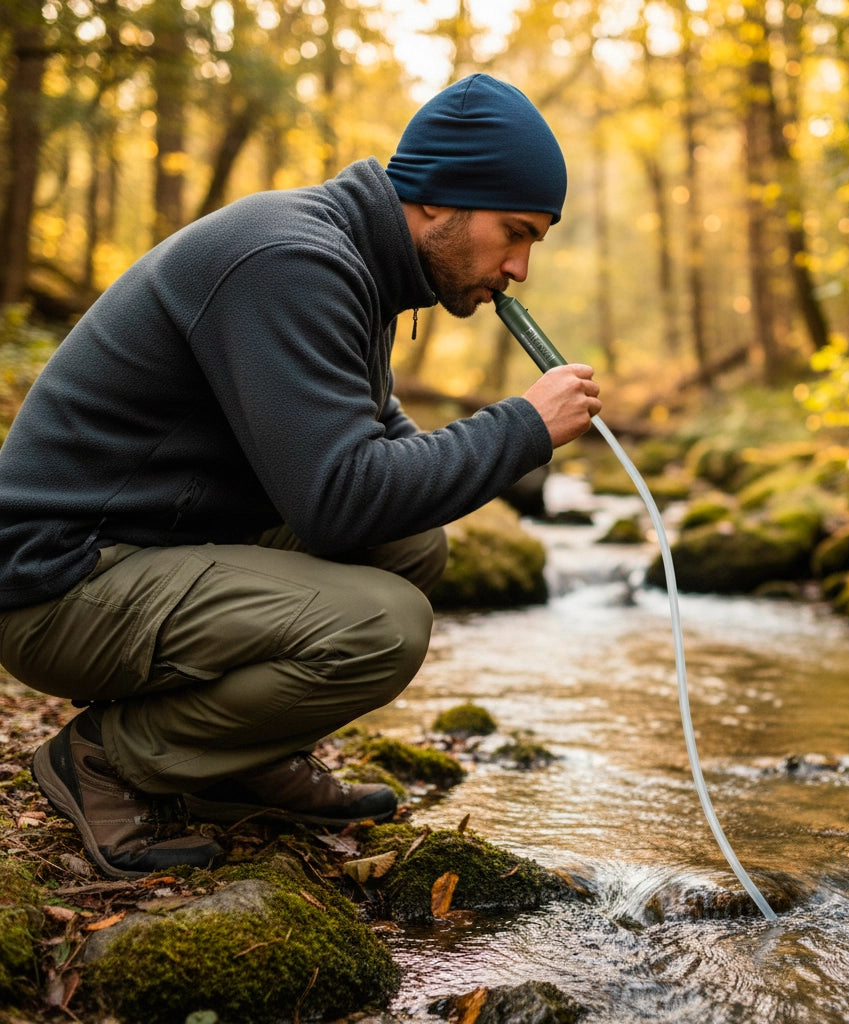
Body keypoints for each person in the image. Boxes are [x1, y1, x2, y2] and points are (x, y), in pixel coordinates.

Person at [0, 73, 601, 879]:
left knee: (410, 548)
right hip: (54, 581)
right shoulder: (293, 261)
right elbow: (339, 502)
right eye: (514, 232)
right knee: (383, 625)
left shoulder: (358, 266)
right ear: (437, 198)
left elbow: (386, 458)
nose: (520, 267)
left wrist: (505, 441)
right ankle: (108, 760)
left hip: (149, 544)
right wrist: (521, 426)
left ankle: (233, 763)